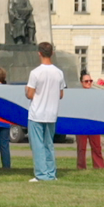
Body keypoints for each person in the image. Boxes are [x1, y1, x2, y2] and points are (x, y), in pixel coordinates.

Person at [26, 41, 66, 182]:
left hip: (37, 113)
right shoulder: (59, 73)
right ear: (52, 53)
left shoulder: (36, 72)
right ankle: (50, 173)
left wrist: (27, 90)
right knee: (49, 144)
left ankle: (41, 174)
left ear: (39, 53)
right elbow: (61, 94)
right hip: (51, 113)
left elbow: (30, 94)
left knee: (38, 145)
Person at [75, 73, 104, 169]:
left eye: (90, 81)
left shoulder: (95, 94)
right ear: (81, 82)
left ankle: (99, 166)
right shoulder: (78, 96)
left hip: (94, 123)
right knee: (81, 148)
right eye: (86, 81)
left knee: (97, 147)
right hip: (81, 124)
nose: (89, 83)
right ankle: (81, 166)